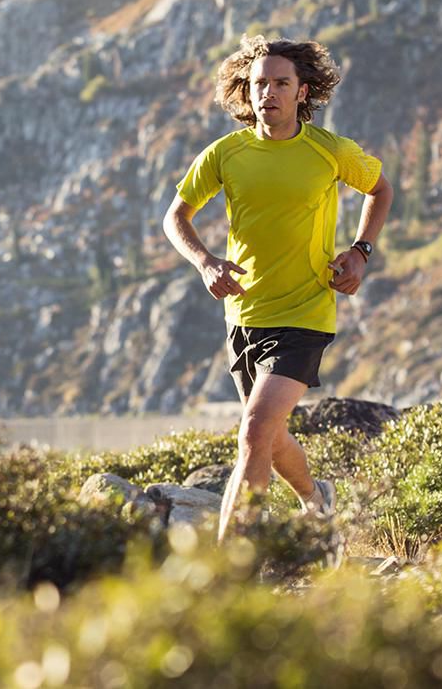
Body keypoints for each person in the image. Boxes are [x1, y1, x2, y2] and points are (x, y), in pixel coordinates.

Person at [162, 35, 393, 542]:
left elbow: (379, 190)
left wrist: (360, 251)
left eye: (280, 84)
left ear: (301, 91)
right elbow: (175, 217)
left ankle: (230, 564)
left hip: (306, 312)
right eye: (259, 83)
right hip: (244, 315)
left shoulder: (329, 151)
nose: (268, 93)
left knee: (252, 433)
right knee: (267, 432)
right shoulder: (225, 153)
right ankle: (316, 498)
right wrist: (204, 262)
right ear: (248, 91)